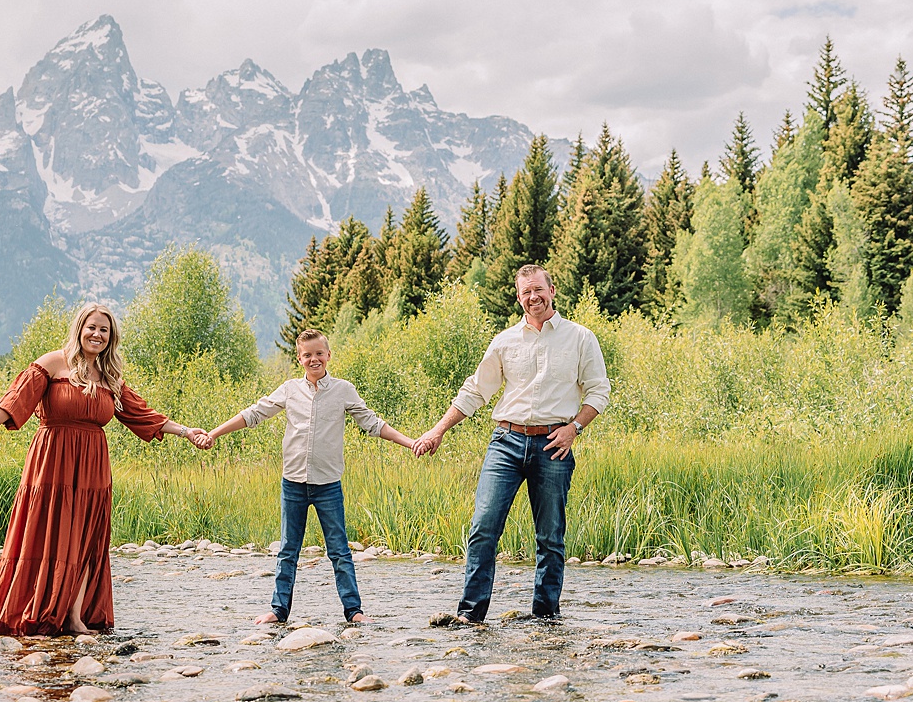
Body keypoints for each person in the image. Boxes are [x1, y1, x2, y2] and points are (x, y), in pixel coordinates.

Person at [0, 303, 207, 636]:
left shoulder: (110, 378)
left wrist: (187, 432)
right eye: (91, 327)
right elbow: (16, 399)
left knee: (85, 537)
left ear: (111, 338)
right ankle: (35, 605)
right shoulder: (53, 363)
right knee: (46, 531)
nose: (97, 334)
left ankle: (74, 616)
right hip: (52, 461)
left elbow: (144, 416)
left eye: (104, 330)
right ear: (80, 329)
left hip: (93, 467)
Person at [412, 264, 610, 623]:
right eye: (525, 292)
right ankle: (471, 616)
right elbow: (475, 391)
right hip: (505, 442)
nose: (532, 297)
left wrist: (574, 428)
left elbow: (599, 390)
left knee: (550, 536)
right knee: (483, 526)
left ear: (552, 290)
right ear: (518, 298)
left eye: (538, 289)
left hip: (554, 445)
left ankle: (545, 618)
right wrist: (438, 430)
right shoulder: (505, 341)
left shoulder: (581, 337)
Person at [202, 328, 416, 625]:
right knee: (288, 550)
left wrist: (410, 442)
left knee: (340, 551)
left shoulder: (343, 390)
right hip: (293, 483)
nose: (314, 359)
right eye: (307, 355)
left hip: (328, 484)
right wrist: (213, 433)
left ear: (328, 356)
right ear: (299, 358)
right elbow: (254, 414)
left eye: (319, 353)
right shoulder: (290, 389)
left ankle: (354, 611)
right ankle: (279, 611)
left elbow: (373, 424)